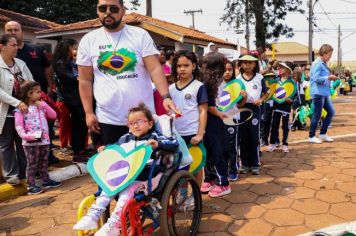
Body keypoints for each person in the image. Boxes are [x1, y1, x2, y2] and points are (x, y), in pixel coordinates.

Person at [77, 0, 178, 148]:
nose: (108, 12)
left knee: (146, 165)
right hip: (108, 118)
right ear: (97, 10)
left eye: (113, 8)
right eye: (103, 8)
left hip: (142, 118)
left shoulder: (139, 35)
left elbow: (155, 69)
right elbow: (85, 80)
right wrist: (88, 113)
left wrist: (166, 96)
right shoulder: (88, 40)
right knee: (114, 166)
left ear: (123, 11)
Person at [73, 103, 178, 235]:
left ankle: (114, 225)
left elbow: (174, 143)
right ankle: (93, 216)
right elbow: (115, 148)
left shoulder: (155, 137)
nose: (135, 125)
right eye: (131, 123)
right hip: (126, 175)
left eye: (139, 121)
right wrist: (105, 149)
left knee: (125, 194)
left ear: (150, 124)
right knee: (108, 189)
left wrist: (159, 144)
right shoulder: (125, 139)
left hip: (147, 177)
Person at [4, 21, 59, 164]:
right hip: (11, 105)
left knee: (44, 127)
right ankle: (21, 170)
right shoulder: (4, 57)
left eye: (16, 29)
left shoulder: (34, 49)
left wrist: (46, 88)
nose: (13, 32)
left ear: (22, 31)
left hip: (35, 97)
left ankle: (45, 157)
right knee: (13, 139)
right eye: (9, 30)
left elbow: (46, 68)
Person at [169, 50, 208, 187]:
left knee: (196, 164)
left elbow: (203, 111)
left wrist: (199, 134)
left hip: (192, 133)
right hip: (176, 134)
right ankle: (183, 194)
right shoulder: (171, 89)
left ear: (194, 66)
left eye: (186, 65)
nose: (182, 69)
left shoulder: (199, 86)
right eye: (179, 66)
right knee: (180, 165)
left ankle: (196, 195)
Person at [14, 81, 61, 194]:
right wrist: (26, 136)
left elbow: (53, 115)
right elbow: (19, 126)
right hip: (30, 142)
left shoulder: (41, 106)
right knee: (32, 164)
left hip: (44, 140)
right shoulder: (21, 109)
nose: (41, 94)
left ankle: (46, 180)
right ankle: (31, 186)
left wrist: (44, 105)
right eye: (38, 92)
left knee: (44, 161)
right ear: (29, 94)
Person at [0, 34, 33, 185]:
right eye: (13, 45)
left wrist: (28, 94)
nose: (16, 47)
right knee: (6, 144)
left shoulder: (20, 63)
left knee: (22, 142)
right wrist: (16, 102)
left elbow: (31, 82)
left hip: (23, 111)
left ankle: (24, 172)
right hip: (5, 111)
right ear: (2, 46)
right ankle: (11, 175)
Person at [199, 52, 231, 198]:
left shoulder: (213, 82)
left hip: (213, 123)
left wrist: (218, 113)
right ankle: (210, 178)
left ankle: (223, 183)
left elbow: (210, 106)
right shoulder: (208, 81)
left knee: (217, 152)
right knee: (208, 152)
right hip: (207, 121)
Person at [53, 39, 89, 162]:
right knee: (77, 125)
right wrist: (84, 79)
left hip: (78, 98)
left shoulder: (70, 62)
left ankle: (82, 149)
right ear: (67, 48)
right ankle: (77, 152)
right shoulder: (61, 64)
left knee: (82, 125)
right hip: (72, 99)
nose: (76, 50)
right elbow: (72, 80)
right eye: (74, 47)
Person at [236, 55, 268, 175]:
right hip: (242, 109)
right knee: (243, 137)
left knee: (254, 137)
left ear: (255, 64)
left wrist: (261, 99)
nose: (248, 65)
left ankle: (255, 164)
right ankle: (244, 164)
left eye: (250, 63)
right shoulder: (238, 79)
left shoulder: (260, 78)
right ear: (241, 65)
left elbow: (266, 93)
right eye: (245, 63)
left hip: (255, 109)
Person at [219, 60, 244, 181]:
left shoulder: (237, 84)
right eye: (225, 69)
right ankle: (224, 170)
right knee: (222, 146)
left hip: (233, 118)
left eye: (230, 69)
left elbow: (241, 104)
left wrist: (244, 96)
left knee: (232, 146)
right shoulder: (216, 84)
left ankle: (233, 170)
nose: (227, 72)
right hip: (219, 118)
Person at [268, 62, 299, 153]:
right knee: (274, 125)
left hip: (286, 108)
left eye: (282, 67)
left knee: (285, 126)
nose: (279, 69)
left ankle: (285, 144)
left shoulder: (292, 83)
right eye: (279, 67)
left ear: (288, 70)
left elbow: (295, 97)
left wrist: (290, 100)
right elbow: (271, 92)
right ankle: (272, 143)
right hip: (276, 107)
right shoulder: (276, 80)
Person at [309, 44, 337, 144]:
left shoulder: (323, 63)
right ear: (324, 53)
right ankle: (311, 136)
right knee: (317, 115)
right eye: (329, 54)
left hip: (324, 93)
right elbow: (316, 79)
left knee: (331, 112)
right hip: (318, 93)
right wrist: (328, 77)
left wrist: (329, 77)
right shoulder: (317, 63)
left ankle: (323, 134)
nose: (330, 57)